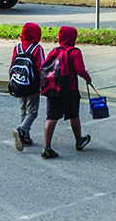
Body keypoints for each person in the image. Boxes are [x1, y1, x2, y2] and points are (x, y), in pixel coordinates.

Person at [40, 25, 92, 159]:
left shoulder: (54, 51)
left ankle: (47, 147)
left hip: (53, 88)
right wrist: (88, 78)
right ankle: (79, 141)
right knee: (73, 115)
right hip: (69, 88)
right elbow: (80, 69)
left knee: (51, 116)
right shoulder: (75, 52)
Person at [11, 22, 45, 151]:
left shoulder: (17, 47)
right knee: (32, 111)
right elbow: (41, 67)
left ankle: (25, 137)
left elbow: (12, 65)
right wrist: (43, 84)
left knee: (23, 109)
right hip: (32, 85)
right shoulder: (37, 49)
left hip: (18, 83)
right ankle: (22, 130)